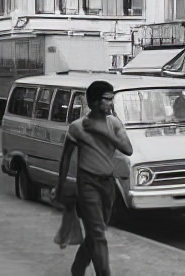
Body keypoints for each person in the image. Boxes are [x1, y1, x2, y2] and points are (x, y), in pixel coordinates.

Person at [56, 80, 133, 276]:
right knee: (98, 234)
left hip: (108, 184)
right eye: (107, 99)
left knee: (95, 233)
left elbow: (128, 149)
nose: (111, 103)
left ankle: (78, 267)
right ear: (93, 103)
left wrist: (101, 132)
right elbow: (65, 159)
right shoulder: (77, 127)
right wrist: (60, 187)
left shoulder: (114, 123)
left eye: (111, 98)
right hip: (87, 183)